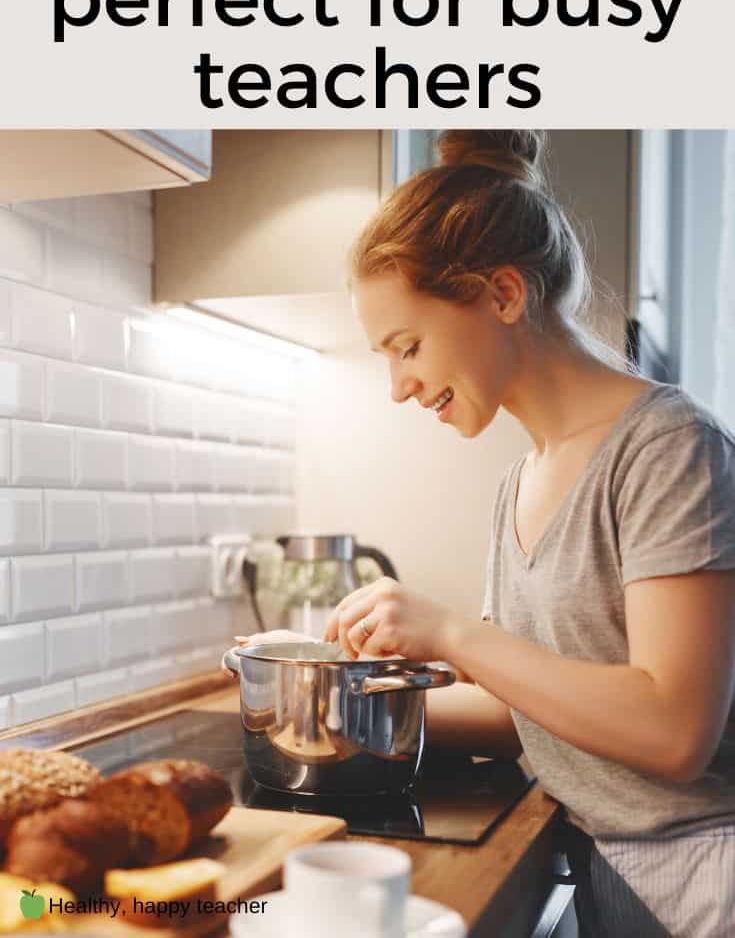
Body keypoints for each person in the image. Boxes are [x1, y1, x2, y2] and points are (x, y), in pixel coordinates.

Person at [226, 130, 735, 937]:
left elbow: (672, 730)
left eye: (408, 346)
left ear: (503, 294)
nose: (398, 387)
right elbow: (531, 711)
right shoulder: (520, 481)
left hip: (702, 875)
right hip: (614, 869)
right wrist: (327, 702)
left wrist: (451, 633)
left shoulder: (666, 447)